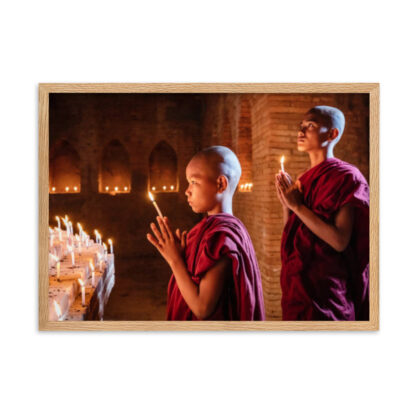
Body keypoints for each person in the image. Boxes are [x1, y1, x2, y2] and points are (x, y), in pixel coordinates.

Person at [147, 146, 265, 321]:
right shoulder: (213, 229)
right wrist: (183, 256)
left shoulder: (221, 237)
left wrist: (174, 260)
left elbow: (202, 308)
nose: (187, 190)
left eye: (194, 182)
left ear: (220, 184)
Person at [275, 105, 369, 321]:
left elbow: (339, 241)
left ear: (333, 134)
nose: (301, 132)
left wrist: (298, 206)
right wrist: (286, 204)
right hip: (298, 285)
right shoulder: (303, 179)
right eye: (301, 126)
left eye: (311, 125)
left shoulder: (347, 177)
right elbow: (293, 235)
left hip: (328, 290)